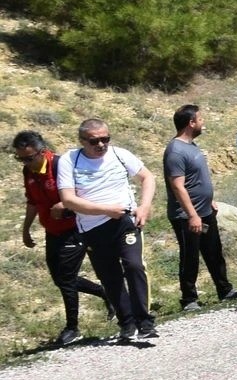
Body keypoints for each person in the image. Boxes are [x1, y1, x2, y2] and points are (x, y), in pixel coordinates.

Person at [57, 118, 158, 341]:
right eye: (94, 141)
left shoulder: (120, 154)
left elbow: (147, 177)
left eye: (105, 139)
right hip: (92, 228)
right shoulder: (69, 160)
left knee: (134, 265)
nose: (101, 145)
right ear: (82, 140)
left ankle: (145, 322)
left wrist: (144, 206)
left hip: (124, 221)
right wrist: (105, 210)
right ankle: (127, 323)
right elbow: (68, 199)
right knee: (110, 276)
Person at [14, 130, 108, 346]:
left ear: (43, 151)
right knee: (60, 278)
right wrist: (26, 229)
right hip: (53, 230)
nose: (26, 163)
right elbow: (32, 202)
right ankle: (105, 293)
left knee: (66, 278)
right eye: (21, 159)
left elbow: (86, 192)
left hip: (76, 227)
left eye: (29, 158)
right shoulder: (29, 171)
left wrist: (64, 204)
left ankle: (72, 328)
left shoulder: (60, 165)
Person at [164, 105, 237, 312]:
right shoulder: (175, 151)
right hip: (187, 216)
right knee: (190, 257)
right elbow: (178, 186)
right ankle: (189, 299)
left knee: (214, 252)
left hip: (204, 210)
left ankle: (225, 290)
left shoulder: (191, 146)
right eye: (200, 119)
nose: (203, 122)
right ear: (191, 123)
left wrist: (209, 200)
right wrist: (192, 215)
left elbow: (195, 179)